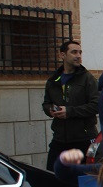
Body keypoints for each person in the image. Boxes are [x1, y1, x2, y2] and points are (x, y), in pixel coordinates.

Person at [42, 40, 99, 170]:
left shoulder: (87, 78)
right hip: (60, 139)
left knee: (86, 178)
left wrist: (70, 111)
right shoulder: (53, 80)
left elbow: (96, 105)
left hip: (85, 139)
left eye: (80, 52)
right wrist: (50, 110)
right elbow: (46, 103)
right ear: (62, 55)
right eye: (74, 52)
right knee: (52, 174)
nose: (78, 55)